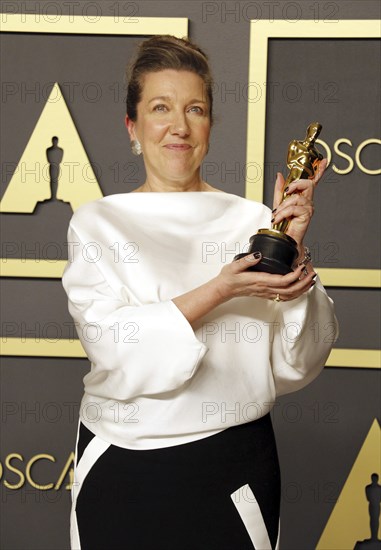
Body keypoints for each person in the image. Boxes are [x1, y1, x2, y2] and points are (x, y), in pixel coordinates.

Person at [62, 35, 338, 550]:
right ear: (133, 126)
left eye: (196, 109)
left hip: (230, 466)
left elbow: (299, 360)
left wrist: (293, 257)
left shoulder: (255, 221)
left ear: (210, 124)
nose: (179, 127)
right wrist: (218, 290)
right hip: (118, 464)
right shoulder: (96, 223)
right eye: (160, 108)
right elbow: (114, 347)